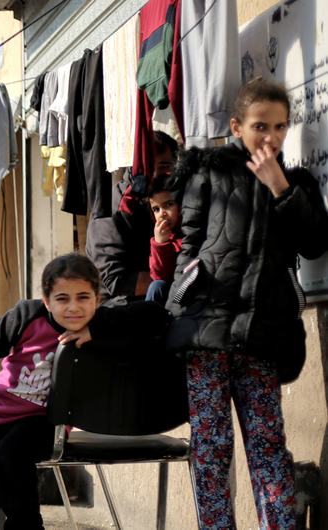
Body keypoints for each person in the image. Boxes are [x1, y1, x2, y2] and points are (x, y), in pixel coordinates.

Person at [165, 77, 328, 528]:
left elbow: (315, 242)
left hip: (263, 338)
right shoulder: (208, 172)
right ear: (237, 126)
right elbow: (189, 247)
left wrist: (281, 188)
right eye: (260, 126)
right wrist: (179, 313)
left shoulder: (298, 182)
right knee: (212, 451)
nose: (271, 137)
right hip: (207, 338)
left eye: (280, 127)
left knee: (268, 448)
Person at [0, 254, 170, 529]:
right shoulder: (28, 315)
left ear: (97, 298)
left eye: (83, 297)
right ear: (46, 301)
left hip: (45, 421)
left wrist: (98, 329)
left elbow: (157, 315)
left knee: (12, 456)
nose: (74, 308)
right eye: (62, 298)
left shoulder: (101, 321)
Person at [89, 131, 180, 300]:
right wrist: (178, 276)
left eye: (164, 167)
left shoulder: (182, 198)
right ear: (134, 167)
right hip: (121, 308)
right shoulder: (113, 209)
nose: (154, 176)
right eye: (146, 168)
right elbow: (116, 281)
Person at [144, 176, 181, 305]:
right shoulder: (161, 239)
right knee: (156, 287)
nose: (162, 213)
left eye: (169, 205)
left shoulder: (189, 234)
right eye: (156, 209)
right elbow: (159, 277)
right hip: (169, 296)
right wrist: (160, 244)